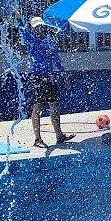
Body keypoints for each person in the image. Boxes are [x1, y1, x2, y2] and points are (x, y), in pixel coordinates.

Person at [21, 17, 75, 148]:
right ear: (32, 29)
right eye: (36, 27)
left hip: (50, 77)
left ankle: (59, 136)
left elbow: (57, 61)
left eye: (41, 26)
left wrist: (64, 76)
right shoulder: (31, 41)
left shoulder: (50, 41)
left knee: (54, 105)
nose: (39, 28)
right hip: (38, 77)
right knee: (39, 107)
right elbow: (22, 29)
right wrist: (19, 18)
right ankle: (37, 139)